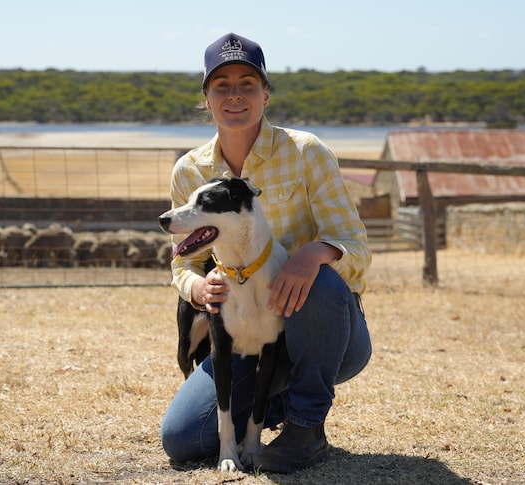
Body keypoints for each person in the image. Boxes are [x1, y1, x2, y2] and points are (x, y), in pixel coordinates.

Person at [159, 32, 372, 474]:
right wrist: (198, 286)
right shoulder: (190, 170)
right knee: (181, 440)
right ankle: (267, 401)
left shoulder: (307, 152)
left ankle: (305, 428)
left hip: (323, 332)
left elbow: (355, 246)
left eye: (247, 83)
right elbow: (184, 262)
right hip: (240, 336)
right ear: (206, 98)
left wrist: (312, 253)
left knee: (318, 275)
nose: (235, 94)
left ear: (266, 94)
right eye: (222, 85)